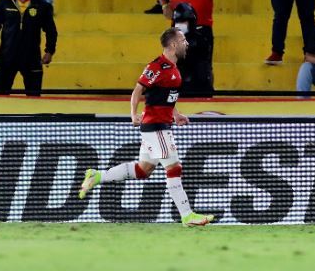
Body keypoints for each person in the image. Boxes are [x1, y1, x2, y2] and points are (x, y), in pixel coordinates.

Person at [78, 27, 215, 227]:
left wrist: (175, 114)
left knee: (143, 170)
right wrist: (133, 114)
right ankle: (187, 215)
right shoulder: (157, 66)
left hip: (160, 124)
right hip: (157, 127)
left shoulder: (174, 69)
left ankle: (97, 175)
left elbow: (166, 98)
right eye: (183, 40)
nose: (187, 43)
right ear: (174, 44)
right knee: (174, 167)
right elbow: (138, 90)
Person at [0, 0, 57, 97]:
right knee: (2, 97)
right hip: (7, 57)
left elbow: (51, 30)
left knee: (34, 99)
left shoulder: (42, 5)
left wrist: (49, 51)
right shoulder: (5, 1)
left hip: (31, 57)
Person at [172, 3, 215, 97]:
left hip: (197, 87)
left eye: (183, 21)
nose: (179, 25)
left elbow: (202, 68)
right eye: (177, 21)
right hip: (177, 89)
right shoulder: (170, 41)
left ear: (191, 22)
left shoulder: (200, 40)